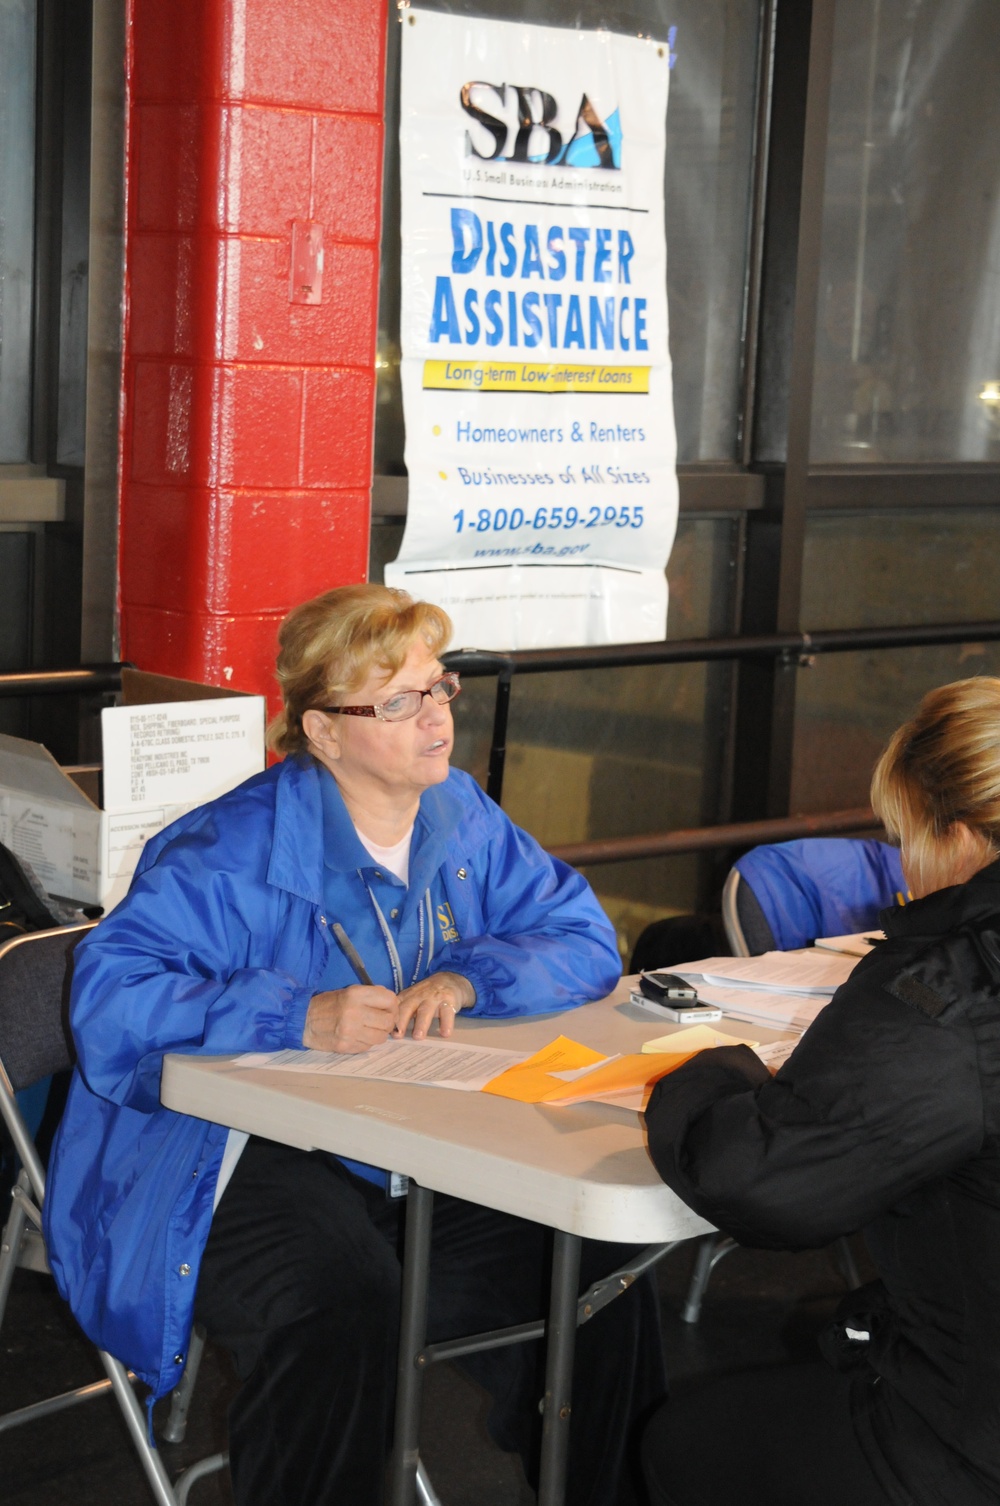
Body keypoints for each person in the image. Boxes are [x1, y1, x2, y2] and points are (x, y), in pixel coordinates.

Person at [44, 583, 665, 1506]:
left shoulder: (462, 817)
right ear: (324, 732)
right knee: (342, 1307)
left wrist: (469, 978)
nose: (435, 719)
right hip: (221, 1155)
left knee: (598, 1272)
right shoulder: (225, 851)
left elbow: (579, 937)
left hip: (401, 1143)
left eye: (439, 688)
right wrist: (293, 1016)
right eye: (398, 700)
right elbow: (109, 1001)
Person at [642, 676, 1000, 1506]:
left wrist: (712, 1070)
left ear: (956, 837)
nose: (904, 868)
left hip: (966, 1449)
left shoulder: (946, 988)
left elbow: (764, 1180)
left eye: (903, 837)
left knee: (686, 1445)